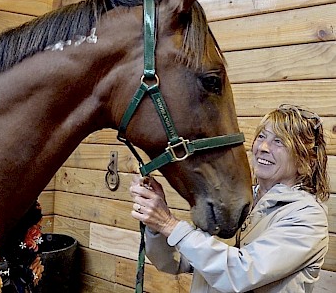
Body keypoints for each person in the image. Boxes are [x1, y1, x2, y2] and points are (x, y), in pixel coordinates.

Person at [130, 104, 330, 293]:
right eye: (262, 136)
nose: (263, 147)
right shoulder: (240, 202)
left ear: (305, 160)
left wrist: (169, 224)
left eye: (279, 141)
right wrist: (155, 223)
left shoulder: (307, 217)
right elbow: (179, 261)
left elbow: (240, 272)